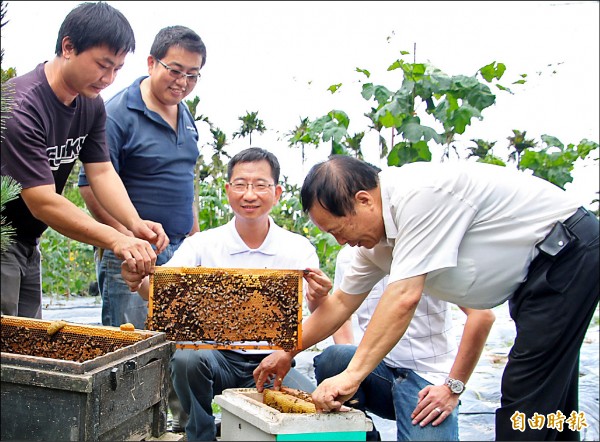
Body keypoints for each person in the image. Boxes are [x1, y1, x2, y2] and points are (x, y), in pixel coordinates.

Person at [254, 156, 599, 441]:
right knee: (553, 390)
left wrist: (351, 376)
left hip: (566, 253)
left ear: (363, 200)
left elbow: (404, 296)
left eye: (338, 230)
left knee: (526, 387)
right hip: (536, 276)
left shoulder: (418, 195)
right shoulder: (375, 244)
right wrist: (287, 351)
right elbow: (341, 303)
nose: (341, 243)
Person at [121, 147, 334, 441]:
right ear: (227, 190)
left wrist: (320, 294)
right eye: (241, 184)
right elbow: (158, 291)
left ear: (277, 192)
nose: (250, 194)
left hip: (273, 362)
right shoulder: (202, 244)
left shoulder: (298, 249)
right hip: (215, 359)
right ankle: (199, 433)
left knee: (320, 417)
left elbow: (318, 307)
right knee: (186, 359)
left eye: (260, 185)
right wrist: (140, 279)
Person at [0, 1, 168, 319]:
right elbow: (42, 201)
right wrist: (115, 238)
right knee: (8, 346)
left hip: (28, 240)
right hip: (2, 238)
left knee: (28, 343)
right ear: (68, 47)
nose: (109, 78)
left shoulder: (90, 105)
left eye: (117, 68)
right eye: (102, 65)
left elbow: (102, 172)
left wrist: (134, 225)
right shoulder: (22, 106)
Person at [78, 25, 206, 330]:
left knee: (178, 342)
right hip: (132, 258)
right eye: (175, 70)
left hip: (179, 252)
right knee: (131, 350)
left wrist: (196, 241)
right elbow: (90, 187)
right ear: (151, 63)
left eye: (193, 74)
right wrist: (126, 240)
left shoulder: (185, 115)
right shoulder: (118, 113)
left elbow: (185, 183)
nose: (183, 82)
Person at [312, 244, 495, 440]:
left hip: (427, 380)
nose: (340, 239)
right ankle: (363, 434)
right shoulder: (351, 255)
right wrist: (346, 374)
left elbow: (482, 316)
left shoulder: (429, 249)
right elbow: (341, 310)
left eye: (337, 227)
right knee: (334, 358)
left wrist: (451, 388)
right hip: (378, 370)